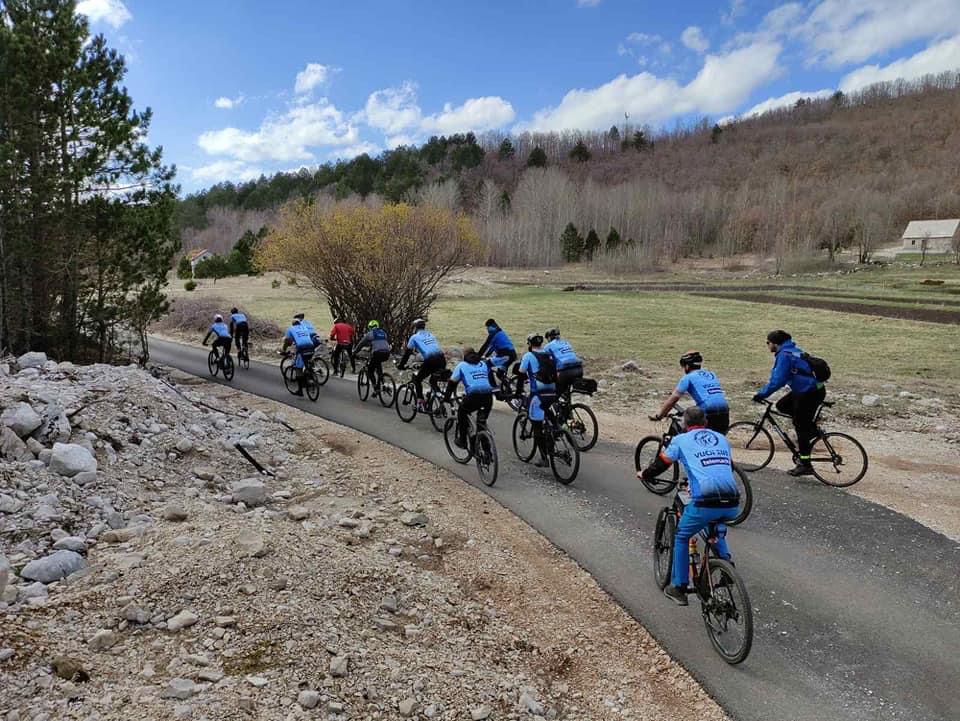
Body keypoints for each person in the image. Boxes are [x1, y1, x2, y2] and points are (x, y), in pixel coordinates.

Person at [637, 406, 739, 606]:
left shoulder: (680, 440)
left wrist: (645, 474)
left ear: (684, 424)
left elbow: (662, 463)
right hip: (733, 501)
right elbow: (718, 467)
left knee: (682, 536)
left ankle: (679, 587)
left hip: (704, 502)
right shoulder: (721, 439)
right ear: (705, 422)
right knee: (715, 527)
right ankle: (727, 565)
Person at [753, 330, 826, 476]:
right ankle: (811, 430)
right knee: (782, 405)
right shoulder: (793, 350)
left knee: (801, 428)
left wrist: (761, 394)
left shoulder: (784, 356)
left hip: (809, 393)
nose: (767, 345)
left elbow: (777, 381)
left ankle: (805, 465)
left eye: (768, 342)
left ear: (775, 343)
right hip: (810, 389)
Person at [654, 351, 730, 434]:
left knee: (687, 430)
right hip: (724, 409)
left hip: (708, 410)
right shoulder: (711, 374)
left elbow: (673, 399)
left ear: (687, 366)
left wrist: (660, 416)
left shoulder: (688, 377)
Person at [516, 333, 557, 468]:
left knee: (537, 426)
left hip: (538, 393)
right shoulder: (548, 354)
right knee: (548, 412)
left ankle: (544, 458)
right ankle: (556, 430)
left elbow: (521, 374)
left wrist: (518, 391)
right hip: (552, 391)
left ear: (529, 344)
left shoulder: (528, 356)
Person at [443, 347, 496, 448]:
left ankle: (463, 440)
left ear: (464, 356)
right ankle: (487, 451)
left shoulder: (462, 365)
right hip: (488, 396)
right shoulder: (483, 364)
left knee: (461, 413)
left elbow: (452, 383)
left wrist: (446, 398)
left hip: (473, 395)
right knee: (481, 422)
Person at [396, 318, 446, 410]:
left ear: (415, 328)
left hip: (431, 360)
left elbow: (407, 354)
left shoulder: (414, 337)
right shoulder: (431, 334)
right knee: (433, 382)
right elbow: (431, 348)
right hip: (442, 359)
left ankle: (420, 403)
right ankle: (441, 403)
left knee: (417, 379)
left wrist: (401, 365)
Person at [354, 320, 391, 394]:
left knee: (370, 371)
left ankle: (376, 388)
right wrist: (371, 349)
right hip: (387, 353)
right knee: (378, 364)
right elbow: (380, 343)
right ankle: (382, 382)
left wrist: (354, 352)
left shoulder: (370, 334)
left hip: (377, 354)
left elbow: (361, 344)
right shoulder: (383, 333)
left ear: (370, 327)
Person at [281, 317, 316, 396]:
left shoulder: (291, 328)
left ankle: (300, 391)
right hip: (311, 346)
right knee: (307, 362)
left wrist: (284, 350)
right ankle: (311, 375)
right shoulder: (304, 327)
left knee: (298, 369)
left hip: (301, 348)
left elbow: (287, 341)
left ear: (293, 324)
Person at [544, 328, 583, 397]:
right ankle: (567, 399)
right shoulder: (566, 343)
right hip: (579, 370)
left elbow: (546, 362)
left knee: (555, 392)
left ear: (549, 338)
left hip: (565, 372)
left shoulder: (548, 346)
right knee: (566, 389)